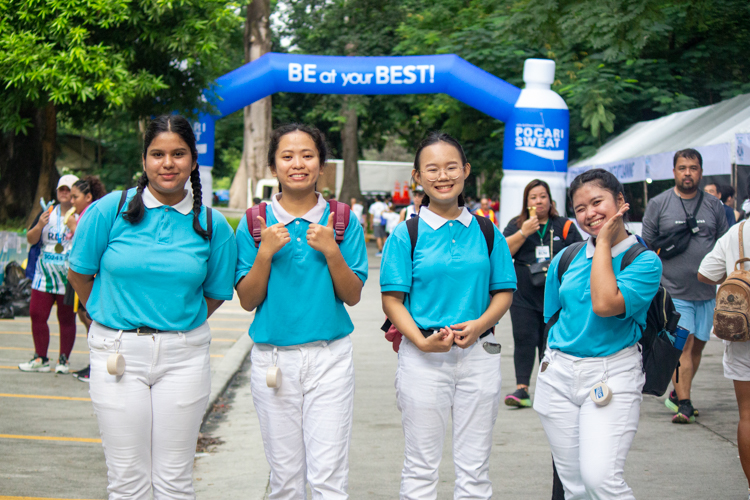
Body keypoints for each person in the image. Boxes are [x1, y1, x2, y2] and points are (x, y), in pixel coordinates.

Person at [67, 114, 237, 498]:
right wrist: (109, 316)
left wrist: (174, 322)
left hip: (184, 357)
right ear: (144, 160)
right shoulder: (110, 210)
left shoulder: (213, 226)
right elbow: (80, 273)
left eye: (179, 153)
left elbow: (214, 293)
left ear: (193, 160)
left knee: (175, 480)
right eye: (157, 154)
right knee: (128, 478)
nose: (168, 163)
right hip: (117, 353)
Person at [235, 123, 367, 500]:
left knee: (328, 477)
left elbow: (353, 295)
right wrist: (265, 252)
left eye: (308, 155)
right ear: (273, 166)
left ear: (321, 165)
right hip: (273, 361)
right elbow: (247, 299)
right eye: (287, 156)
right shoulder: (254, 222)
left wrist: (331, 250)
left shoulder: (341, 220)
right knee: (285, 479)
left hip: (330, 359)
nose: (298, 164)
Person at [381, 132, 516, 499]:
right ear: (418, 177)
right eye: (433, 169)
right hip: (422, 358)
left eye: (451, 167)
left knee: (475, 469)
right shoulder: (406, 234)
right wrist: (421, 341)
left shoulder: (488, 231)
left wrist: (479, 326)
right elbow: (392, 300)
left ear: (466, 171)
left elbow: (504, 290)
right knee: (421, 467)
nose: (443, 176)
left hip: (479, 356)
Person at [535, 168, 662, 499]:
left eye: (597, 202)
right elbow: (551, 316)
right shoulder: (567, 257)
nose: (589, 214)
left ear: (620, 201)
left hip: (612, 375)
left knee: (601, 480)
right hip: (559, 375)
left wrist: (604, 241)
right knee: (574, 486)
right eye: (580, 208)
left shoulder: (644, 261)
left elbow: (606, 304)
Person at [642, 148, 728, 423]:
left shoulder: (714, 205)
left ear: (700, 171)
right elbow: (645, 243)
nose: (688, 173)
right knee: (683, 344)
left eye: (693, 167)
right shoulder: (659, 203)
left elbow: (723, 243)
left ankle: (679, 393)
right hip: (674, 290)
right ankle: (686, 404)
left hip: (706, 292)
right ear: (674, 171)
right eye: (682, 167)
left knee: (699, 345)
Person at [501, 179, 583, 408]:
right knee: (524, 338)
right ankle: (522, 389)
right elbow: (502, 252)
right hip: (523, 296)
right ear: (526, 201)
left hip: (556, 298)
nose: (539, 201)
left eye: (542, 196)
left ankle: (551, 388)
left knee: (551, 342)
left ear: (550, 199)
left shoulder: (564, 226)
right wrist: (524, 232)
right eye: (533, 197)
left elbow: (580, 255)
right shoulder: (517, 224)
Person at [698, 221, 750, 500]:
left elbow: (705, 273)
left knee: (748, 415)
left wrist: (738, 274)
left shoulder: (738, 232)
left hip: (743, 336)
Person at [18, 174, 79, 373]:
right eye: (61, 189)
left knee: (67, 319)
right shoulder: (48, 211)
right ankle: (41, 358)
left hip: (68, 277)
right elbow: (31, 238)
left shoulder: (81, 214)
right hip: (43, 275)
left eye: (69, 190)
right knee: (37, 314)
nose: (64, 193)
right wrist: (39, 225)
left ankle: (63, 360)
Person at [66, 176, 108, 382]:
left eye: (76, 196)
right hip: (79, 276)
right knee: (86, 320)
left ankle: (97, 366)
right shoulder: (83, 214)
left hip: (91, 278)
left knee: (91, 320)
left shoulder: (92, 216)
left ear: (89, 197)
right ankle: (94, 364)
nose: (71, 201)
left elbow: (88, 248)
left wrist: (74, 227)